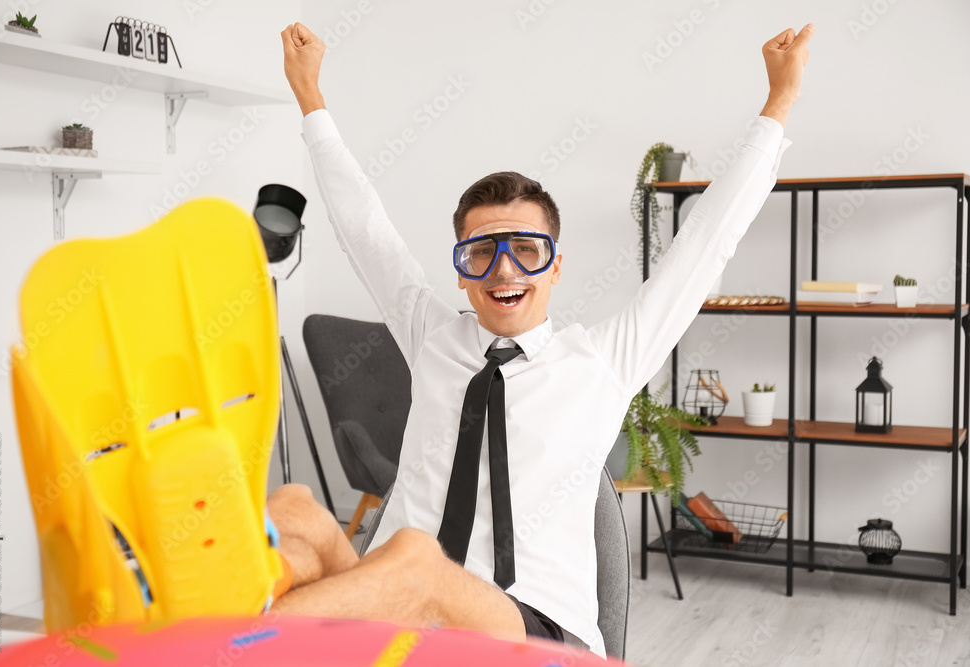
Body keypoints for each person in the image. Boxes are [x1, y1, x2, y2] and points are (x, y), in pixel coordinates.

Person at [266, 20, 815, 658]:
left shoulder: (602, 361)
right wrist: (310, 97)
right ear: (462, 269)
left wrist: (778, 103)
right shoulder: (431, 336)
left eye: (526, 251)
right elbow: (362, 225)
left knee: (416, 564)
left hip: (532, 626)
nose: (504, 270)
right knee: (294, 512)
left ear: (555, 265)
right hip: (396, 600)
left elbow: (704, 244)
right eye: (482, 253)